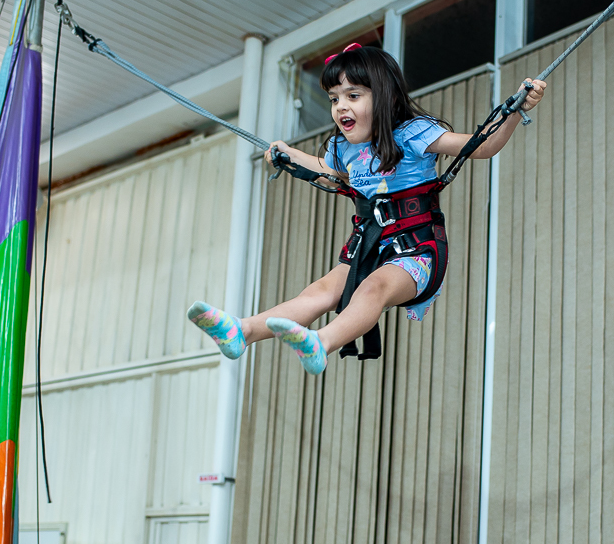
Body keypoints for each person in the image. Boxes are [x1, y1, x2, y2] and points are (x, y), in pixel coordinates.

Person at [188, 43, 546, 374]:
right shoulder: (342, 148)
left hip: (417, 251)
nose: (341, 106)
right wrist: (287, 154)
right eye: (334, 99)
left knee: (372, 289)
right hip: (368, 248)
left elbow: (479, 146)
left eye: (353, 95)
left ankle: (321, 342)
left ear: (386, 98)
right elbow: (326, 172)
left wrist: (514, 110)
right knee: (320, 291)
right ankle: (244, 331)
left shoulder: (414, 133)